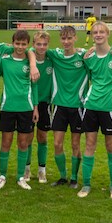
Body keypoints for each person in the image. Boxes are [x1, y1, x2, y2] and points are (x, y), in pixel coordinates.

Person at [78, 21, 112, 199]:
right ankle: (86, 185)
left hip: (109, 107)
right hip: (91, 106)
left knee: (111, 145)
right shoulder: (89, 58)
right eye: (95, 32)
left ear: (107, 34)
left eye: (101, 32)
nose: (98, 35)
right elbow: (90, 77)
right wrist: (87, 52)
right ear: (92, 36)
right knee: (89, 145)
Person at [0, 30, 38, 190]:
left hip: (26, 108)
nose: (20, 47)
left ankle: (21, 176)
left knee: (23, 143)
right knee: (6, 142)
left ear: (27, 45)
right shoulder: (4, 60)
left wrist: (36, 107)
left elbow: (35, 86)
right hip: (7, 107)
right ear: (12, 43)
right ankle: (2, 175)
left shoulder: (29, 62)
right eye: (17, 43)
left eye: (23, 44)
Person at [49, 26, 88, 188]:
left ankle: (74, 178)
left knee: (75, 144)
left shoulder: (84, 56)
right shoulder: (55, 55)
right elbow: (33, 48)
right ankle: (63, 176)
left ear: (75, 38)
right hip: (59, 105)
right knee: (57, 143)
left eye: (69, 38)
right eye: (63, 39)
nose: (66, 42)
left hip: (78, 106)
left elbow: (101, 53)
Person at [26, 30, 55, 184]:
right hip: (29, 102)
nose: (41, 47)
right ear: (33, 45)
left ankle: (42, 170)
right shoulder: (28, 58)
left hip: (45, 103)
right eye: (38, 44)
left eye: (44, 44)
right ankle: (27, 169)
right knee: (28, 137)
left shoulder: (52, 59)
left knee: (42, 137)